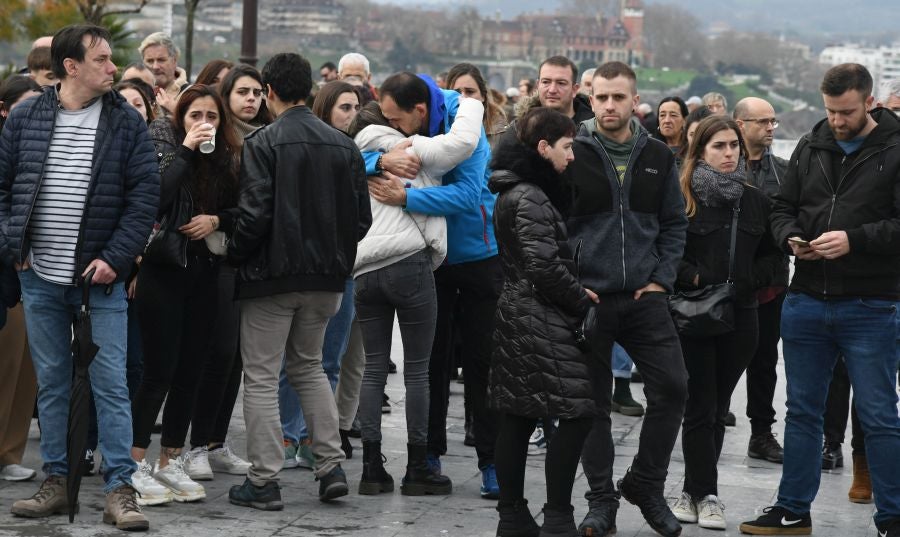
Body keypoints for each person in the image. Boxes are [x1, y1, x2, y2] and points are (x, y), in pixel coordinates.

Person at [1, 24, 159, 531]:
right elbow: (2, 188)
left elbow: (143, 200)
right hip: (39, 277)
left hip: (101, 280)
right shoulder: (26, 115)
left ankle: (119, 489)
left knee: (109, 384)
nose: (114, 68)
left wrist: (117, 256)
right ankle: (56, 478)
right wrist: (13, 245)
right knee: (50, 383)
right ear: (72, 67)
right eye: (103, 60)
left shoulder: (126, 123)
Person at [740, 63, 900, 537]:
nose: (837, 120)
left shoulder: (895, 151)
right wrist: (790, 236)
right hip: (807, 296)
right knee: (802, 412)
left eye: (846, 112)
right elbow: (783, 208)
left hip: (871, 304)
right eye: (830, 110)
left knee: (879, 415)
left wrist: (855, 239)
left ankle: (892, 517)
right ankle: (792, 510)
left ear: (869, 102)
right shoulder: (810, 146)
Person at [226, 52, 371, 510]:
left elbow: (253, 216)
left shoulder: (264, 143)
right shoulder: (343, 145)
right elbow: (362, 220)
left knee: (263, 377)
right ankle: (330, 465)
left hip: (272, 276)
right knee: (309, 368)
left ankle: (264, 479)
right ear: (310, 89)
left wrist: (233, 253)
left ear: (268, 92)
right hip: (328, 278)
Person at [565, 61, 688, 537]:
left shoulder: (656, 153)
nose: (610, 106)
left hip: (644, 298)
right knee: (590, 402)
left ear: (636, 100)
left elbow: (675, 223)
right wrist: (570, 283)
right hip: (589, 298)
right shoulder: (572, 150)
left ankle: (645, 481)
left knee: (674, 387)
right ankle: (601, 499)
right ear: (590, 98)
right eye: (602, 98)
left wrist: (661, 278)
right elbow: (553, 224)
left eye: (620, 97)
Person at [366, 71, 499, 499]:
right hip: (428, 258)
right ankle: (430, 455)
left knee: (482, 364)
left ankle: (491, 460)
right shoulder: (399, 111)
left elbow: (466, 195)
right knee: (432, 363)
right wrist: (380, 162)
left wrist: (407, 198)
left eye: (396, 120)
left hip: (478, 255)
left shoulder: (467, 129)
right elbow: (359, 149)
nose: (393, 128)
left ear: (420, 111)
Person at [489, 106, 600, 536]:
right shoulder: (531, 196)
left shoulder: (514, 190)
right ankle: (556, 517)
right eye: (567, 147)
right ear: (542, 147)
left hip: (518, 310)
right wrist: (580, 300)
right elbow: (543, 267)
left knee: (518, 415)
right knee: (576, 412)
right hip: (538, 314)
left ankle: (513, 517)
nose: (571, 156)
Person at [669, 116, 782, 530]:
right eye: (718, 146)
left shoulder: (755, 200)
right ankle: (706, 494)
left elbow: (774, 257)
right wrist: (695, 277)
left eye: (733, 145)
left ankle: (691, 490)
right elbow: (666, 251)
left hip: (742, 314)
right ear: (700, 151)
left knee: (717, 407)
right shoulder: (681, 196)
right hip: (695, 312)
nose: (729, 153)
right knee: (699, 406)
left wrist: (750, 280)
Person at [130, 84, 241, 503]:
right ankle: (135, 462)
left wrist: (216, 219)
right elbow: (155, 198)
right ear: (182, 119)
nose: (204, 124)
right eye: (195, 116)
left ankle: (170, 459)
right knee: (158, 371)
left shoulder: (230, 159)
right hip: (164, 270)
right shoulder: (166, 147)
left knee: (191, 370)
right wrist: (189, 150)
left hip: (207, 271)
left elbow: (244, 210)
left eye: (211, 117)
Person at [181, 66, 270, 482]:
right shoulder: (194, 146)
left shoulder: (249, 146)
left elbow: (249, 210)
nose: (251, 99)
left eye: (257, 92)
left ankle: (215, 442)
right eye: (242, 92)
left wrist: (219, 219)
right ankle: (195, 445)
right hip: (190, 264)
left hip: (233, 259)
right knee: (211, 355)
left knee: (232, 357)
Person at [278, 80, 363, 470]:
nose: (352, 115)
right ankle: (285, 434)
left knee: (329, 359)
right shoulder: (301, 148)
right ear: (325, 108)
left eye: (356, 107)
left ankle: (314, 438)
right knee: (289, 361)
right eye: (344, 107)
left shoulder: (353, 152)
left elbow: (362, 218)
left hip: (339, 269)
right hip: (297, 269)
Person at [733, 97, 789, 464]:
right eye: (762, 121)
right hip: (721, 281)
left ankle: (761, 431)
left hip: (769, 283)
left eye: (773, 121)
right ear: (740, 124)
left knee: (765, 360)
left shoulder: (785, 171)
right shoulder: (717, 163)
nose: (770, 127)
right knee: (712, 359)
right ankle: (705, 419)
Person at [0, 75, 42, 484]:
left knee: (28, 370)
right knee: (6, 363)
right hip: (8, 271)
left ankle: (10, 452)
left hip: (40, 272)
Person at [446, 63, 508, 148]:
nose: (463, 98)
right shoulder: (434, 132)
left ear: (483, 96)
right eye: (457, 93)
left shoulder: (502, 136)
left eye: (470, 92)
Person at [139, 32, 187, 116]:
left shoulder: (190, 95)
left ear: (174, 61)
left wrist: (177, 112)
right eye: (150, 61)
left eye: (161, 60)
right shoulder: (136, 94)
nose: (155, 67)